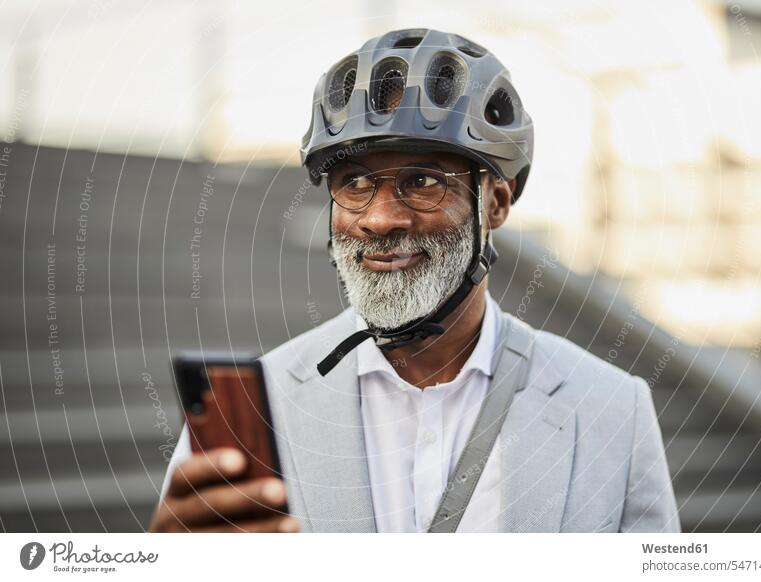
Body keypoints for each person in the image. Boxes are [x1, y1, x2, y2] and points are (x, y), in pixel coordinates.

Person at [150, 28, 680, 533]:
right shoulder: (247, 412)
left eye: (422, 181)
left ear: (494, 204)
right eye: (354, 183)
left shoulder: (612, 407)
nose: (380, 219)